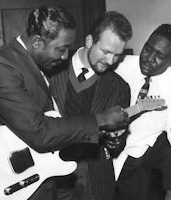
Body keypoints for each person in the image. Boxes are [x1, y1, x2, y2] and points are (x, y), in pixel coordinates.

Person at [0, 6, 129, 200]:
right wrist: (101, 120)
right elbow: (40, 131)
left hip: (41, 181)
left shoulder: (29, 64)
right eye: (61, 49)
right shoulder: (0, 66)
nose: (65, 56)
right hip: (13, 186)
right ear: (37, 42)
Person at [47, 11, 132, 200]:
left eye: (117, 55)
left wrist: (116, 140)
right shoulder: (49, 72)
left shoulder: (119, 87)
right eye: (106, 52)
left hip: (95, 182)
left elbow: (116, 147)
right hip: (49, 179)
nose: (110, 61)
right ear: (89, 41)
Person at [113, 24, 171, 200]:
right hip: (125, 147)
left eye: (159, 56)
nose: (149, 58)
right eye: (148, 49)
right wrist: (139, 108)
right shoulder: (120, 65)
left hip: (155, 145)